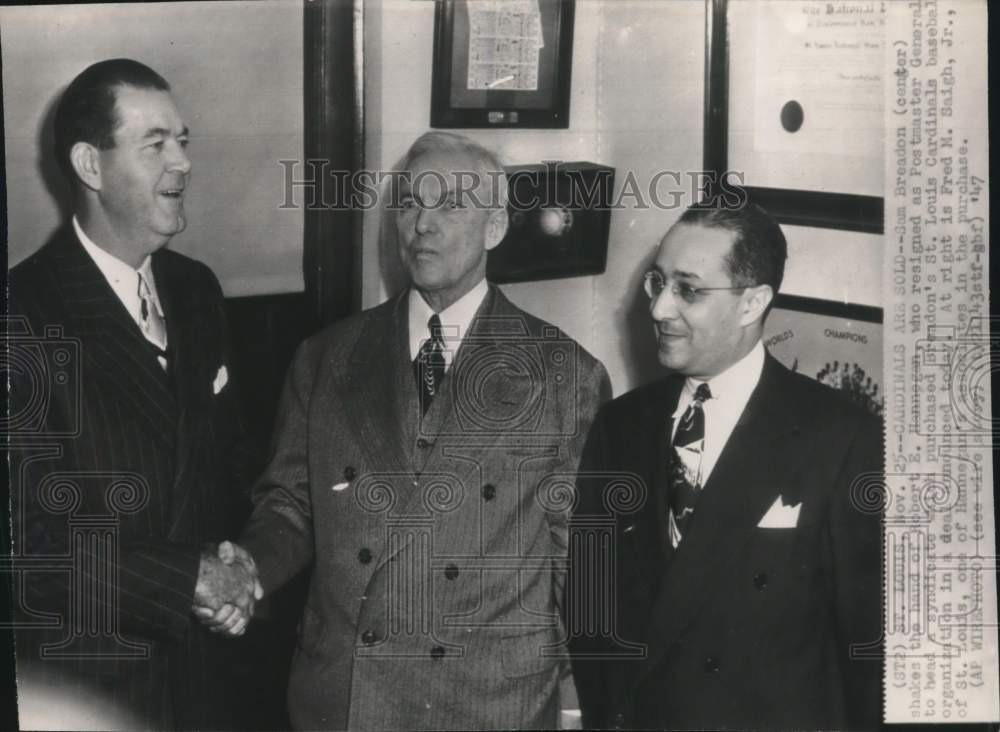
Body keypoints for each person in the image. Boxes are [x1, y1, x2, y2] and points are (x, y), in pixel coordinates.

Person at [202, 131, 611, 729]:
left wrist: (576, 697)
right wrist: (249, 569)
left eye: (450, 205)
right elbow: (290, 506)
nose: (422, 224)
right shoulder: (326, 358)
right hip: (348, 698)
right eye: (410, 203)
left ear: (495, 226)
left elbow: (580, 558)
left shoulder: (565, 375)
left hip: (491, 702)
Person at [8, 59, 261, 730]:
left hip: (206, 681)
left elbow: (233, 463)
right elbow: (28, 549)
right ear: (90, 166)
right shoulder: (22, 313)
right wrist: (188, 581)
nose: (182, 163)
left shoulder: (198, 290)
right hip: (91, 693)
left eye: (183, 140)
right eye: (156, 144)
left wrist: (238, 566)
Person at [568, 202, 882, 729]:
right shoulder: (620, 425)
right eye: (657, 282)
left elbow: (869, 656)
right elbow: (589, 608)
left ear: (752, 302)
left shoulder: (842, 438)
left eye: (688, 290)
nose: (660, 309)